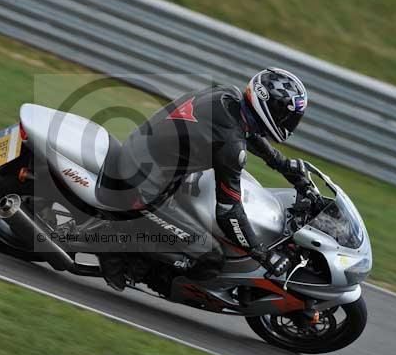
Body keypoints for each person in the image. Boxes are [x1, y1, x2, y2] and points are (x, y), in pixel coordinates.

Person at [101, 67, 310, 290]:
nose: (289, 122)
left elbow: (246, 134)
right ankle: (117, 247)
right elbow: (228, 212)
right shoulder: (231, 147)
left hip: (143, 154)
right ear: (271, 108)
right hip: (143, 187)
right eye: (287, 116)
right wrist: (261, 252)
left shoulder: (228, 95)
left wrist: (282, 164)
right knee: (210, 258)